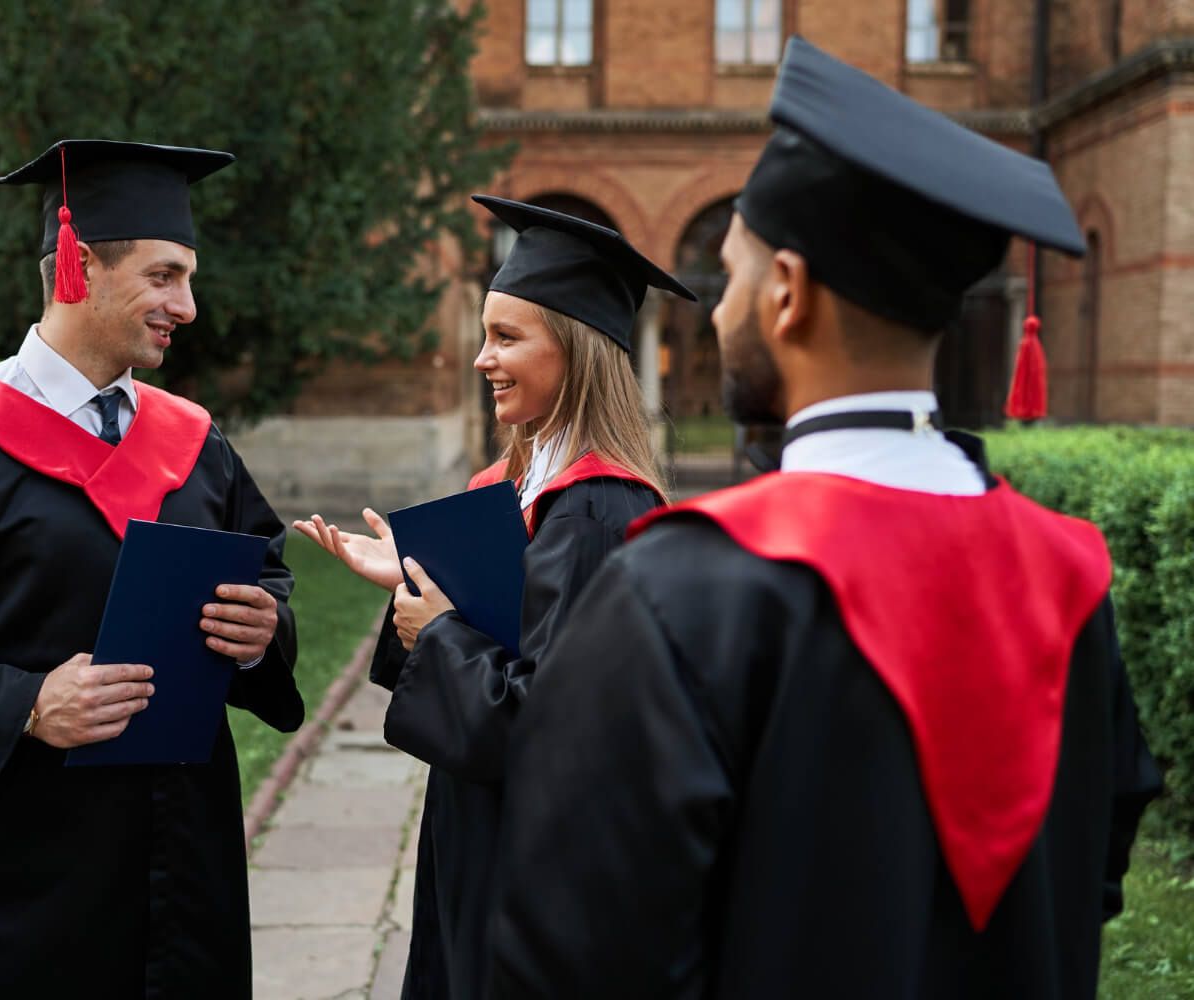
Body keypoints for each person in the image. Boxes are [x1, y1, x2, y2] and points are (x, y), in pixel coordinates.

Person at [486, 39, 1162, 999]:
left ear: (789, 295)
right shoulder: (1072, 577)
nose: (718, 315)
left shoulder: (683, 586)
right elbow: (1092, 869)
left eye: (730, 281)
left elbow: (581, 950)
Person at [0, 139, 303, 999]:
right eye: (164, 276)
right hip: (4, 887)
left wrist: (262, 634)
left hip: (174, 866)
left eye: (187, 278)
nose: (187, 304)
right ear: (79, 268)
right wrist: (25, 703)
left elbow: (268, 574)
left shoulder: (196, 444)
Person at [294, 194, 697, 999]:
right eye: (485, 334)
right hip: (482, 826)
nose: (482, 359)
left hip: (537, 855)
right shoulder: (526, 489)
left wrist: (436, 630)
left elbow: (554, 724)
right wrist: (415, 590)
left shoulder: (594, 510)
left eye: (507, 337)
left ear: (578, 354)